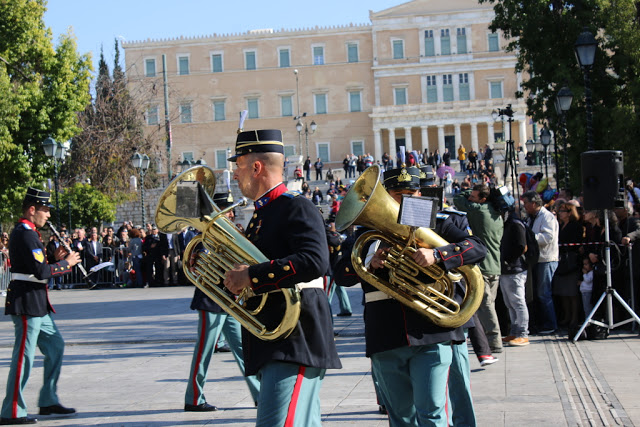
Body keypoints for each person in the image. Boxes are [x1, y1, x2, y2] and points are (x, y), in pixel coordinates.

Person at [334, 165, 487, 426]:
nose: (405, 198)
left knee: (432, 413)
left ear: (420, 194)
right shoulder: (366, 235)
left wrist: (438, 254)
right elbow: (340, 273)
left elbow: (477, 248)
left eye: (412, 192)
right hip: (386, 334)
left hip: (432, 333)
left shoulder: (440, 224)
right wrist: (369, 260)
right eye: (396, 193)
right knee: (401, 417)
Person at [223, 129, 341, 426]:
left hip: (294, 339)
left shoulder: (294, 205)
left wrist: (251, 275)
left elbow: (315, 260)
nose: (234, 175)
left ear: (256, 166)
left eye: (237, 166)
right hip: (276, 339)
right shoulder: (262, 215)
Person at [1, 188, 81, 425]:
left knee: (55, 346)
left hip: (38, 303)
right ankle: (12, 411)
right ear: (32, 209)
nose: (47, 215)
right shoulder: (25, 234)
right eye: (45, 210)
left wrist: (56, 260)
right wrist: (65, 264)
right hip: (26, 302)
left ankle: (47, 399)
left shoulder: (31, 233)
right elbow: (39, 272)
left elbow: (38, 268)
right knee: (23, 357)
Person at [184, 192, 260, 412]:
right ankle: (194, 398)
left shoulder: (233, 235)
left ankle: (259, 394)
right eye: (228, 210)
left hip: (230, 301)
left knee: (242, 350)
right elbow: (199, 267)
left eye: (232, 210)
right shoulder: (205, 237)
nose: (232, 213)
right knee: (204, 351)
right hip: (211, 300)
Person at [454, 184, 504, 353]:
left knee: (485, 306)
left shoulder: (479, 210)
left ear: (483, 199)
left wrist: (467, 190)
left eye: (474, 197)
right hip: (494, 266)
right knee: (489, 306)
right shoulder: (496, 212)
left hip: (482, 266)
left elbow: (458, 199)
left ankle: (494, 341)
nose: (470, 198)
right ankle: (488, 340)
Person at [522, 190, 560, 334]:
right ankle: (541, 322)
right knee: (538, 294)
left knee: (544, 293)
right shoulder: (532, 217)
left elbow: (548, 238)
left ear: (533, 203)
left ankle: (551, 324)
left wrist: (530, 238)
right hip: (536, 259)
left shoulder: (547, 217)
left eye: (526, 203)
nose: (524, 206)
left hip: (546, 259)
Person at [499, 206, 530, 346]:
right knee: (509, 303)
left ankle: (523, 333)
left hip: (515, 269)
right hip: (507, 269)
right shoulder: (508, 224)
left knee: (518, 302)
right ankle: (514, 331)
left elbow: (522, 246)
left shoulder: (516, 224)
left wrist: (508, 259)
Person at [553, 202, 584, 329]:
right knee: (563, 292)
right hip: (561, 261)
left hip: (571, 261)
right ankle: (566, 316)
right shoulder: (560, 225)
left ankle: (574, 317)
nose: (560, 213)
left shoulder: (575, 226)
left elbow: (576, 244)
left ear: (570, 213)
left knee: (572, 293)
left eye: (563, 211)